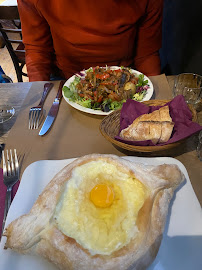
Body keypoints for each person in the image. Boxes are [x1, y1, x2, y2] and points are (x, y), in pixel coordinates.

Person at [17, 0, 163, 82]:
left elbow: (147, 53)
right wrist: (39, 101)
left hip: (127, 77)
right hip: (64, 79)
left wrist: (155, 100)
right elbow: (37, 50)